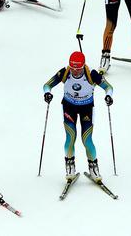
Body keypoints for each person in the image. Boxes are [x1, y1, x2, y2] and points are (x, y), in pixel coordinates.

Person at [43, 51, 113, 181]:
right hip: (69, 108)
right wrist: (47, 93)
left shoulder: (91, 73)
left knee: (87, 140)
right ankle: (70, 166)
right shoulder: (65, 72)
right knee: (70, 137)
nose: (75, 72)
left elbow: (108, 87)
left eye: (78, 69)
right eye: (73, 68)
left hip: (87, 108)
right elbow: (47, 85)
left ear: (83, 66)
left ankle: (93, 167)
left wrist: (108, 96)